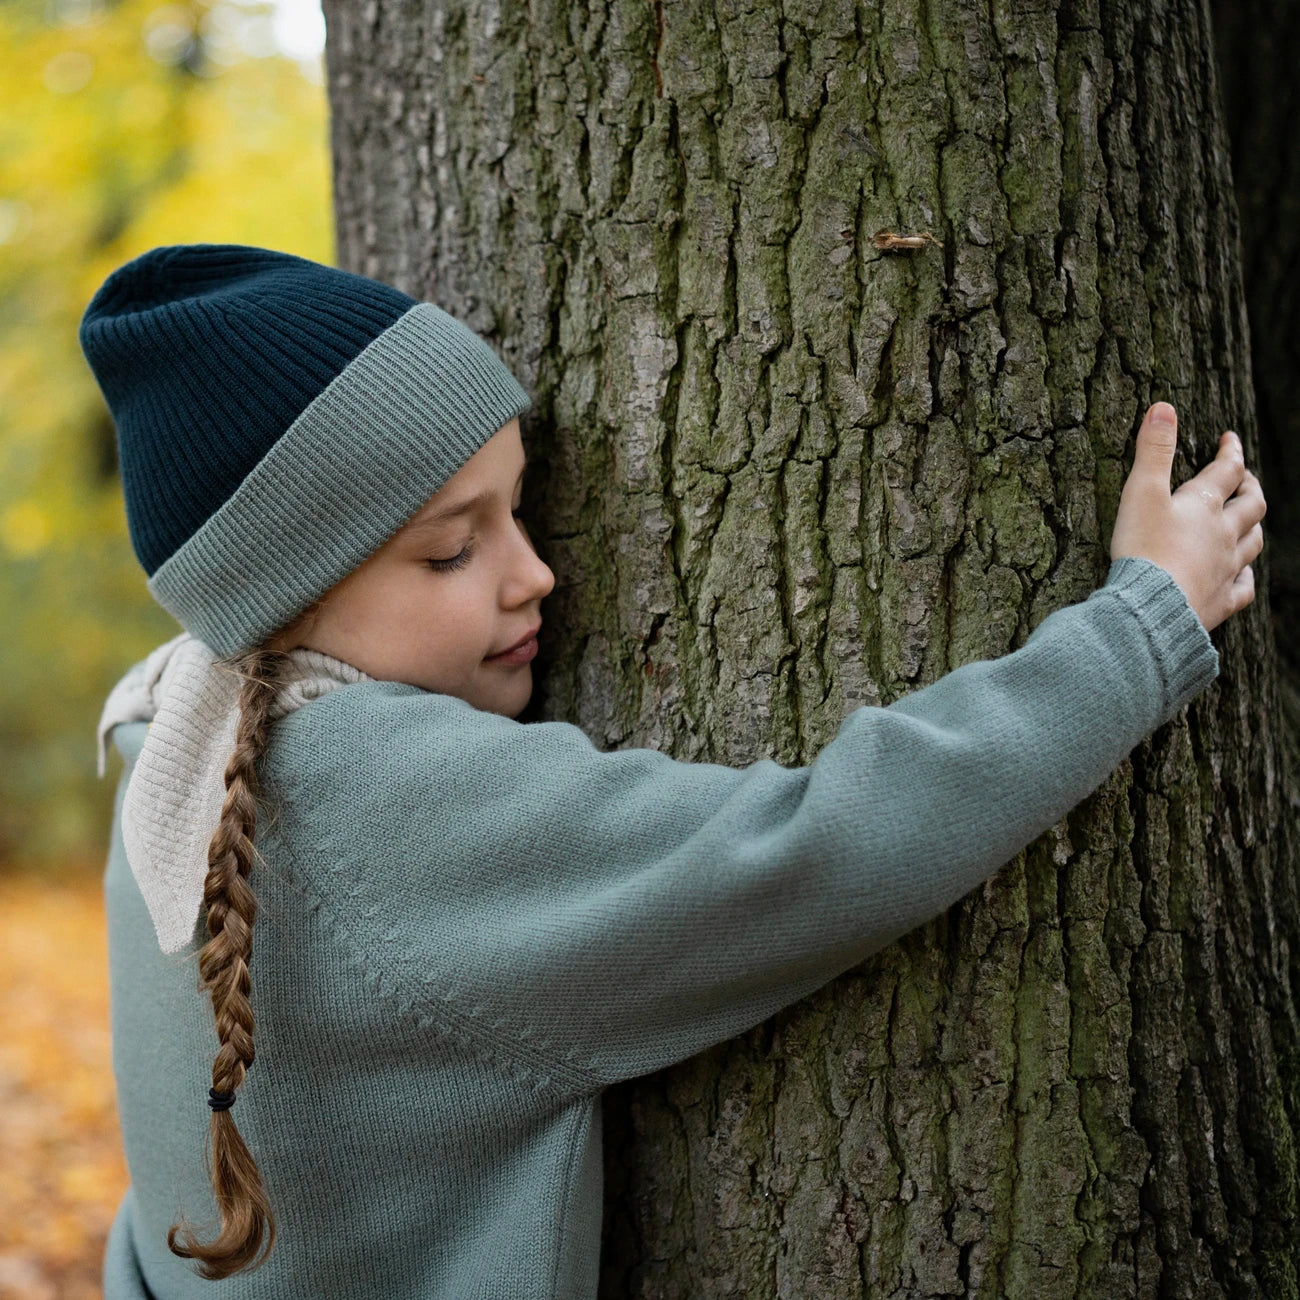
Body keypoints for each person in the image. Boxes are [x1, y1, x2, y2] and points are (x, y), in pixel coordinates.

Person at [81, 243, 1266, 1300]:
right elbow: (816, 845)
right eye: (451, 549)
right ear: (286, 601)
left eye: (518, 513)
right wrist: (1138, 627)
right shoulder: (367, 791)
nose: (531, 573)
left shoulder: (172, 731)